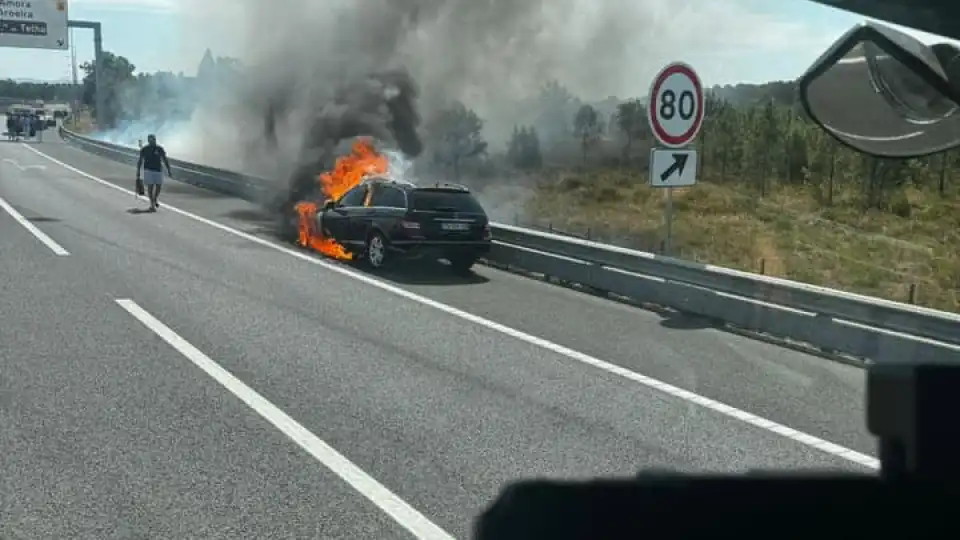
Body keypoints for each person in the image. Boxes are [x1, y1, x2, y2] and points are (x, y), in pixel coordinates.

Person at [136, 134, 172, 212]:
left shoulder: (159, 149)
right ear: (148, 141)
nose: (152, 141)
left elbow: (165, 159)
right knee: (150, 187)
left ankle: (155, 198)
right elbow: (140, 160)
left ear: (155, 140)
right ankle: (152, 204)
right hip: (148, 170)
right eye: (151, 140)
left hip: (158, 170)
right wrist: (138, 171)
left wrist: (169, 170)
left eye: (153, 139)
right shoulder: (145, 149)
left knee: (158, 187)